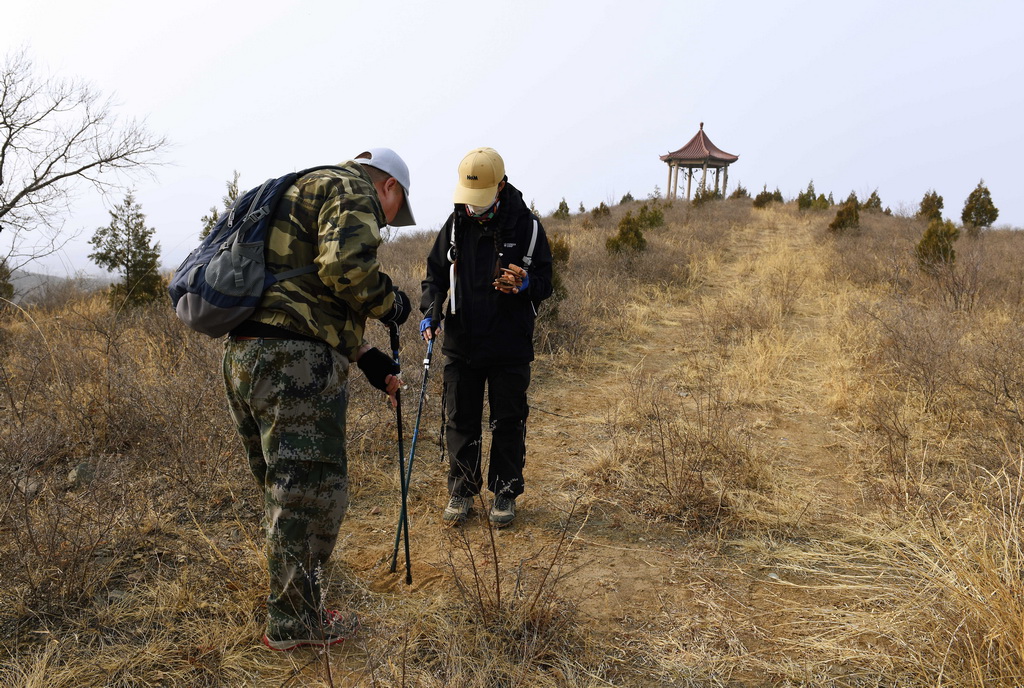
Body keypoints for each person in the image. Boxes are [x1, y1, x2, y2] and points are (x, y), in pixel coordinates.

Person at [222, 148, 414, 651]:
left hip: (245, 354)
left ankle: (295, 607)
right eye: (394, 213)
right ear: (389, 187)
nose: (388, 223)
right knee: (311, 493)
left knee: (283, 489)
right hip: (293, 365)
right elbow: (345, 268)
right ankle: (294, 626)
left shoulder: (300, 188)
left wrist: (367, 357)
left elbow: (304, 295)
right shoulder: (354, 189)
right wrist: (392, 303)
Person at [419, 147, 553, 528]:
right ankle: (462, 489)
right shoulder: (455, 223)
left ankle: (505, 491)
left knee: (508, 421)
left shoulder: (527, 227)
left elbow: (545, 283)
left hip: (510, 345)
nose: (474, 208)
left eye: (481, 200)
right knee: (460, 419)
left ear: (501, 186)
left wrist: (526, 284)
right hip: (461, 343)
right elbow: (434, 277)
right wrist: (430, 312)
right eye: (469, 199)